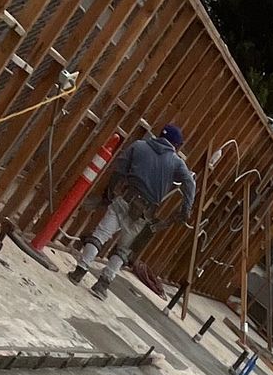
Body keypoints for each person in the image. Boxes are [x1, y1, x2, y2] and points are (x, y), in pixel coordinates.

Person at [70, 122, 196, 299]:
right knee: (123, 249)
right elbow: (190, 183)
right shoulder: (177, 163)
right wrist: (186, 209)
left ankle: (79, 271)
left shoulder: (139, 146)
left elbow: (119, 170)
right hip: (143, 211)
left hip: (125, 198)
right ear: (176, 145)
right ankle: (102, 285)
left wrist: (109, 194)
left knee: (101, 234)